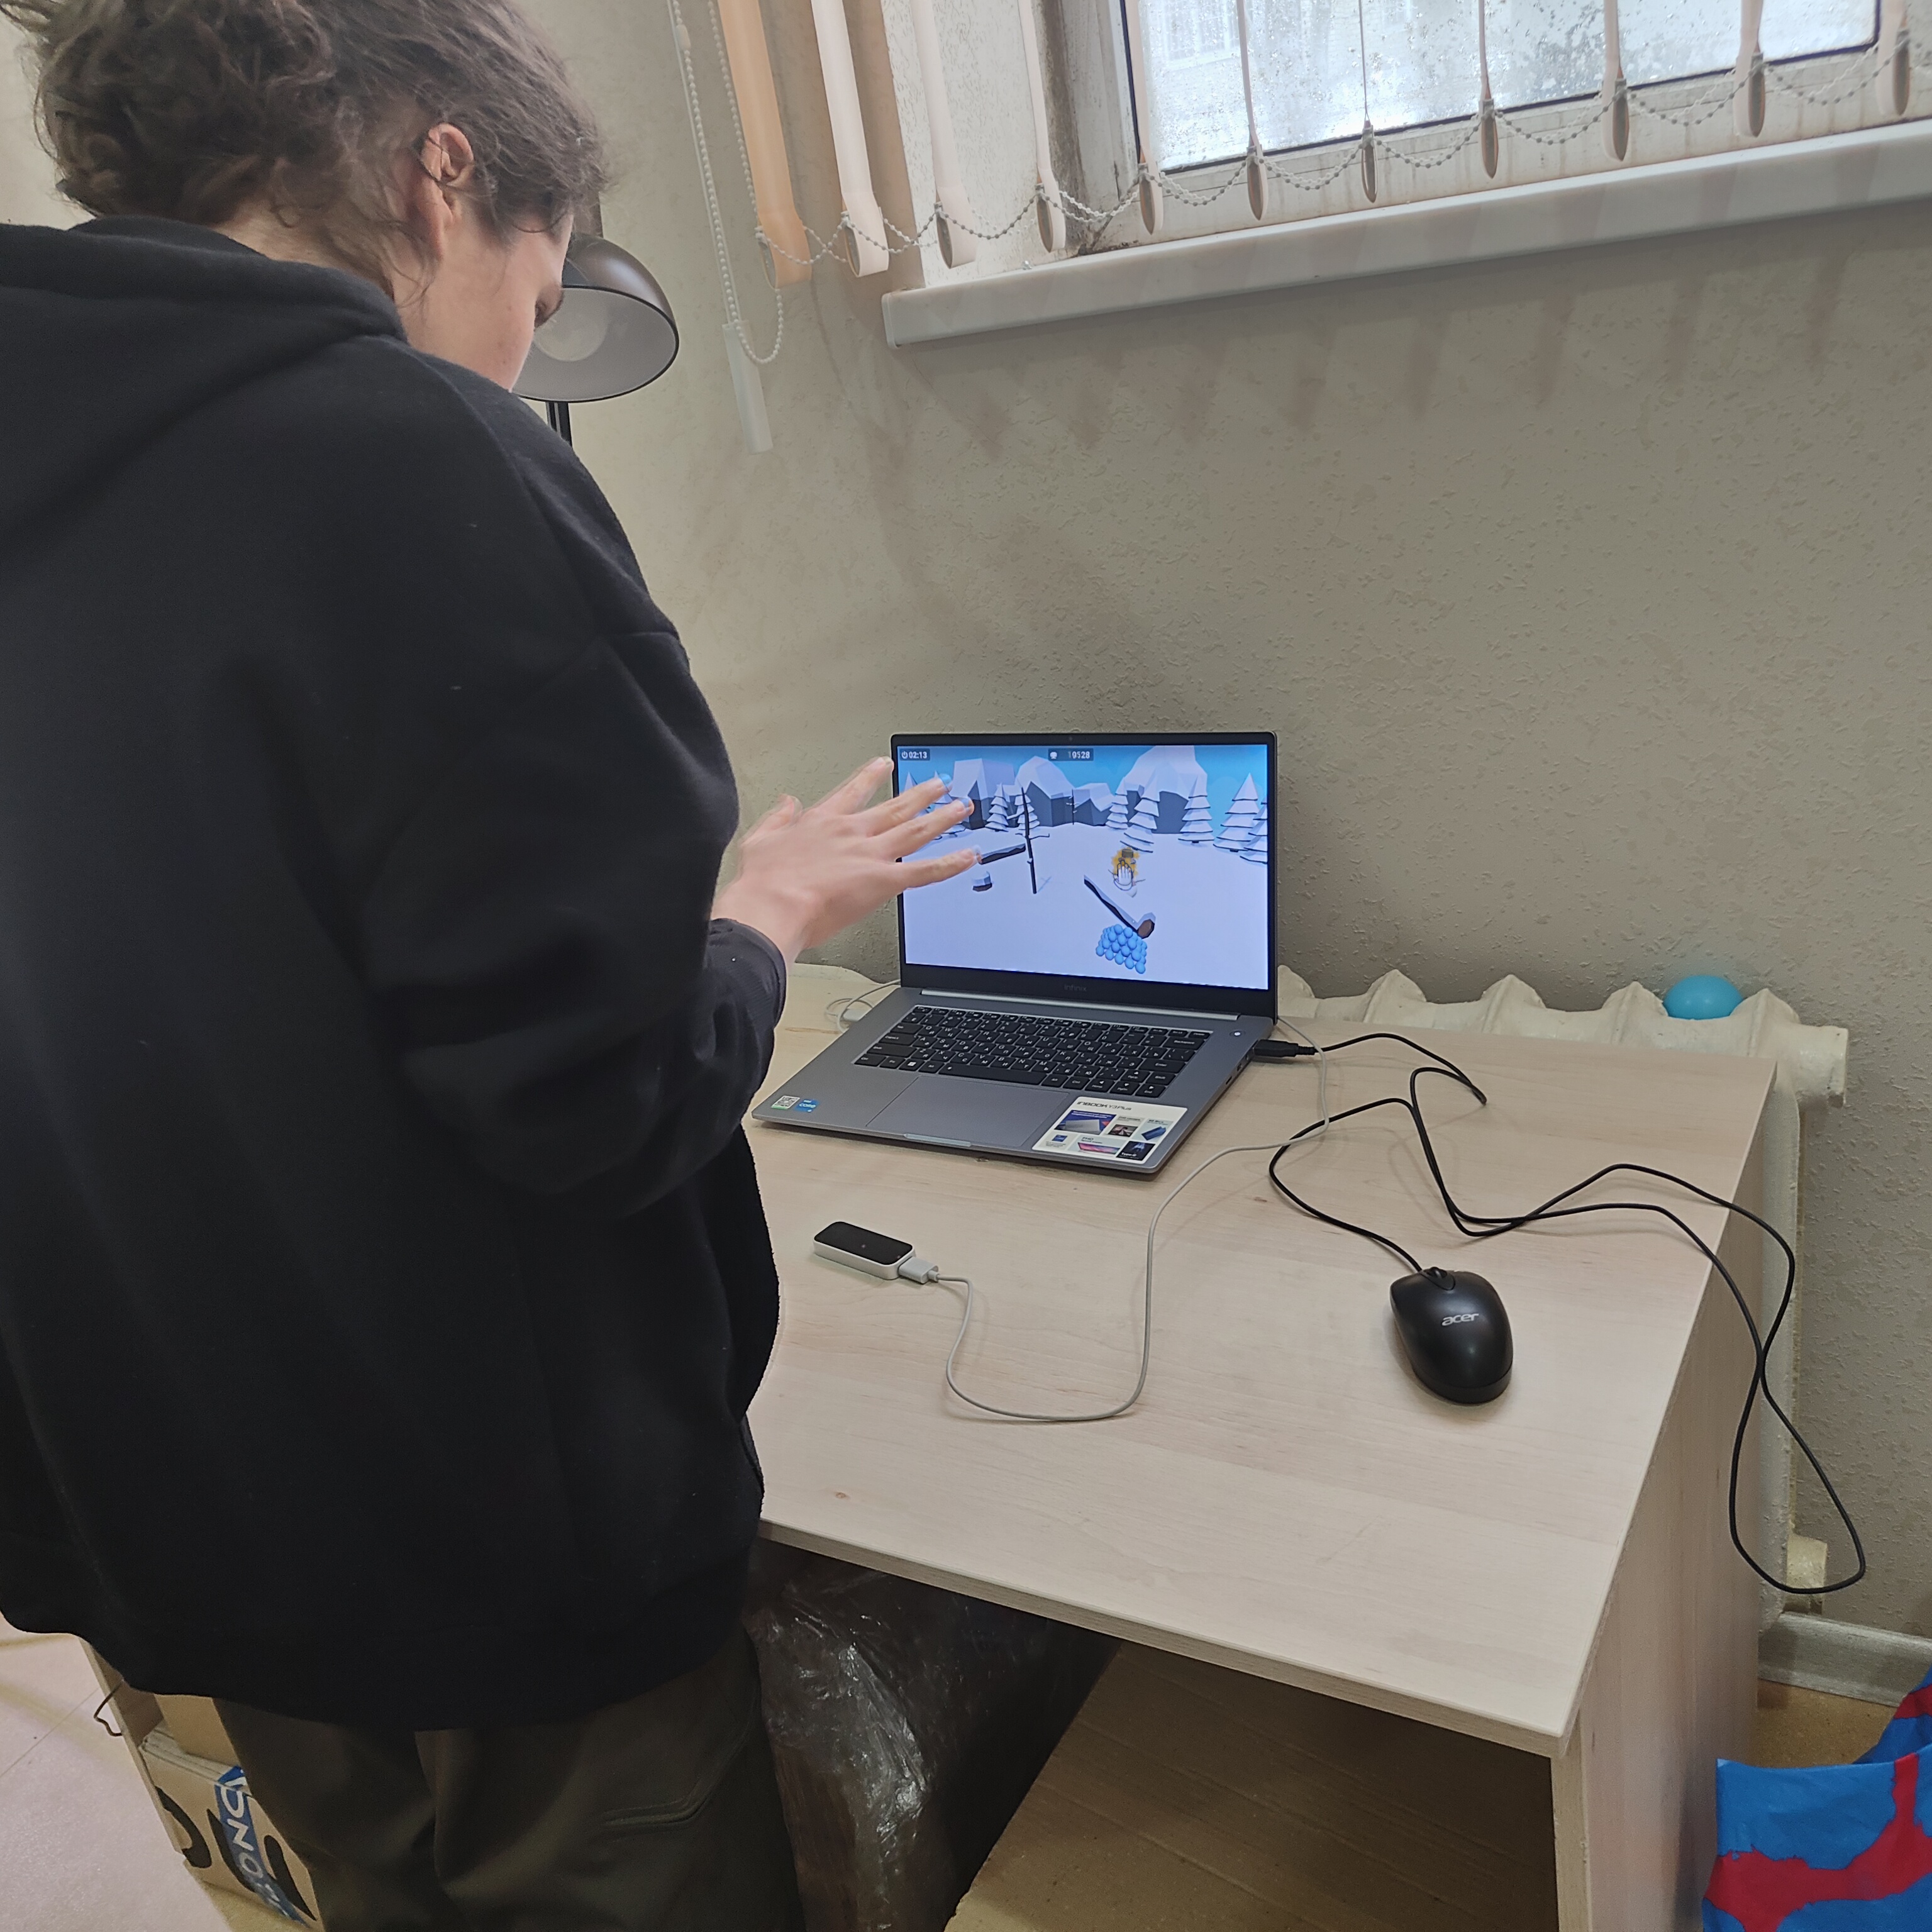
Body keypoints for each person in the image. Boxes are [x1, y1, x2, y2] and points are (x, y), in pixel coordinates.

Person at [0, 1, 973, 1926]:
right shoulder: (410, 460)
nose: (527, 354)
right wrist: (762, 918)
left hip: (178, 1503)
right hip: (494, 1539)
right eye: (540, 298)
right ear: (443, 170)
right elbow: (603, 1102)